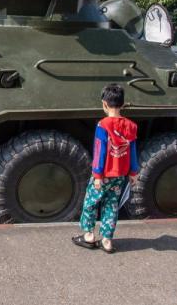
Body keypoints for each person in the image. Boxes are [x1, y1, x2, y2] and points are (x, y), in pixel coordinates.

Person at [72, 83, 139, 254]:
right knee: (111, 205)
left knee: (91, 203)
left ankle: (88, 236)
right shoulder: (131, 126)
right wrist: (133, 172)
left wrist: (97, 175)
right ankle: (107, 240)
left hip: (103, 174)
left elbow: (99, 151)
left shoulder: (103, 125)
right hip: (120, 175)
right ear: (123, 104)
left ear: (104, 104)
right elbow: (132, 151)